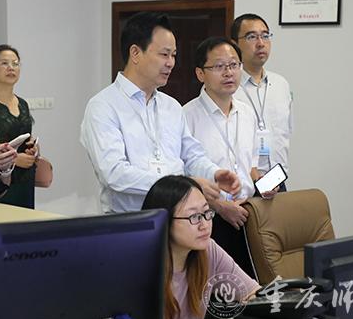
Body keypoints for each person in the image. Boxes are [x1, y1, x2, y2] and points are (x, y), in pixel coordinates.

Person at [80, 12, 240, 213]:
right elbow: (114, 174)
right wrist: (182, 185)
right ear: (135, 53)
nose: (171, 63)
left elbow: (191, 156)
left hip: (178, 219)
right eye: (164, 54)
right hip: (131, 222)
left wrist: (213, 173)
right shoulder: (103, 106)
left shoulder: (171, 106)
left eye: (173, 55)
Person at [184, 37, 276, 278]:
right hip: (209, 219)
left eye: (234, 65)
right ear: (200, 73)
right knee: (216, 288)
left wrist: (264, 185)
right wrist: (220, 206)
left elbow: (251, 167)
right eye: (219, 66)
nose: (229, 73)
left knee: (250, 285)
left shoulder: (247, 113)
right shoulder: (186, 116)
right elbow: (183, 178)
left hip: (248, 215)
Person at [142, 175, 260, 319]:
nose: (204, 225)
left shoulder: (208, 250)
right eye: (194, 217)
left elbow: (252, 293)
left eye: (206, 212)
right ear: (165, 221)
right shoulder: (139, 266)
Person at [231, 14, 293, 190]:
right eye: (252, 37)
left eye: (265, 36)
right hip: (242, 185)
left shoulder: (281, 85)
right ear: (235, 44)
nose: (261, 43)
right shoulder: (227, 87)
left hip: (278, 181)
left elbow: (286, 131)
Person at [0, 44, 39, 209]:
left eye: (15, 64)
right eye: (4, 63)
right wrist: (14, 159)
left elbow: (24, 137)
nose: (11, 68)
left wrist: (32, 149)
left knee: (26, 221)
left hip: (25, 177)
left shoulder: (23, 104)